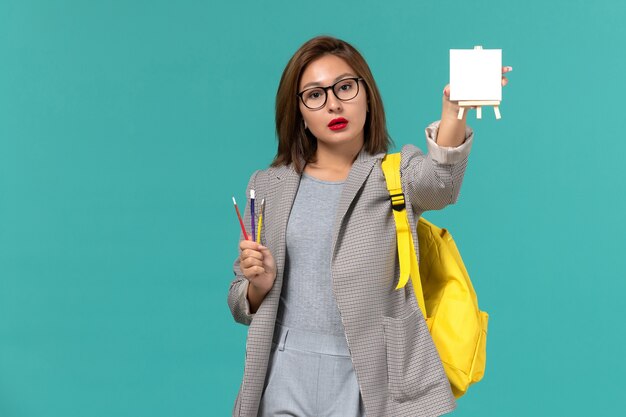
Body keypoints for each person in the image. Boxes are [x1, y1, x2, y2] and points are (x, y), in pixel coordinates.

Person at [228, 36, 510, 417]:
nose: (333, 103)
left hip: (366, 373)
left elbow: (442, 185)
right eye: (314, 95)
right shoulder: (268, 185)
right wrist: (257, 286)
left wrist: (454, 112)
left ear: (366, 95)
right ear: (300, 113)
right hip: (282, 370)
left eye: (345, 87)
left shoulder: (395, 176)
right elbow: (239, 301)